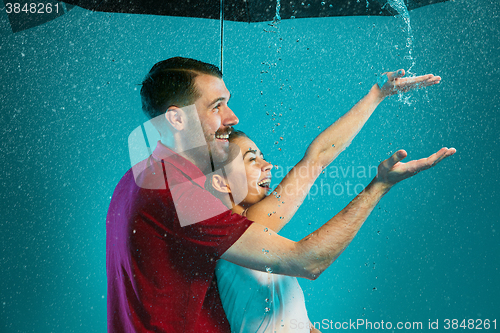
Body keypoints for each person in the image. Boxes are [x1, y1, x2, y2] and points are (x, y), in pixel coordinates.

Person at [106, 57, 455, 333]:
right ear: (177, 120)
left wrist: (376, 95)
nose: (233, 116)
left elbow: (314, 161)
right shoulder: (177, 193)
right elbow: (306, 261)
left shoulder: (142, 177)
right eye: (217, 106)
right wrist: (379, 186)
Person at [208, 67, 445, 333]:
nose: (268, 165)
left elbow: (285, 317)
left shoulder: (259, 246)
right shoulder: (235, 229)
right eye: (252, 159)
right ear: (221, 181)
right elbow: (316, 160)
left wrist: (379, 94)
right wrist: (379, 185)